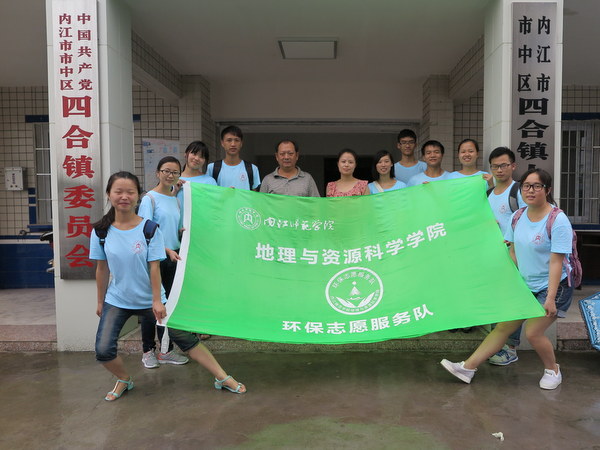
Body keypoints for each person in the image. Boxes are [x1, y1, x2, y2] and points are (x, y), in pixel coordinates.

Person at [91, 171, 246, 401]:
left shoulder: (149, 229)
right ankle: (123, 379)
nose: (124, 197)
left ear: (138, 196)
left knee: (185, 338)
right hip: (117, 300)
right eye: (118, 192)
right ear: (108, 194)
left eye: (130, 192)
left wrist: (156, 301)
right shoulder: (101, 231)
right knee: (103, 350)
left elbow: (154, 268)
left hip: (152, 300)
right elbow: (101, 269)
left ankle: (222, 377)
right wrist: (100, 301)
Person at [441, 168, 574, 390]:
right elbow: (513, 252)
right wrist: (508, 283)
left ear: (547, 190)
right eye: (526, 186)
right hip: (525, 283)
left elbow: (556, 262)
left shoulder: (558, 220)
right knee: (503, 327)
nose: (530, 190)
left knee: (533, 332)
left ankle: (553, 370)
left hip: (554, 286)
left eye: (537, 186)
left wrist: (550, 298)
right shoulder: (518, 216)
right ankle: (467, 368)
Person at [137, 157, 189, 368]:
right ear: (158, 173)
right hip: (156, 259)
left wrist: (180, 233)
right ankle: (148, 351)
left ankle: (165, 351)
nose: (170, 175)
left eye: (175, 172)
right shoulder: (149, 199)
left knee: (168, 307)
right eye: (166, 171)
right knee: (153, 307)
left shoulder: (175, 199)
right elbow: (145, 232)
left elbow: (172, 228)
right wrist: (166, 250)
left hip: (173, 258)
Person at [486, 146, 527, 366]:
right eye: (495, 166)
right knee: (497, 300)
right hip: (494, 257)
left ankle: (510, 348)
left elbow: (530, 219)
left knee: (511, 300)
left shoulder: (518, 191)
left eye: (503, 165)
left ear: (513, 166)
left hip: (516, 257)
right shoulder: (488, 194)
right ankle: (496, 346)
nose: (499, 170)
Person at [207, 125, 260, 190]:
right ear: (222, 143)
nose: (233, 144)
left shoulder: (252, 169)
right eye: (229, 140)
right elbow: (208, 192)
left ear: (241, 143)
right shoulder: (212, 168)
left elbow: (254, 194)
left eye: (237, 140)